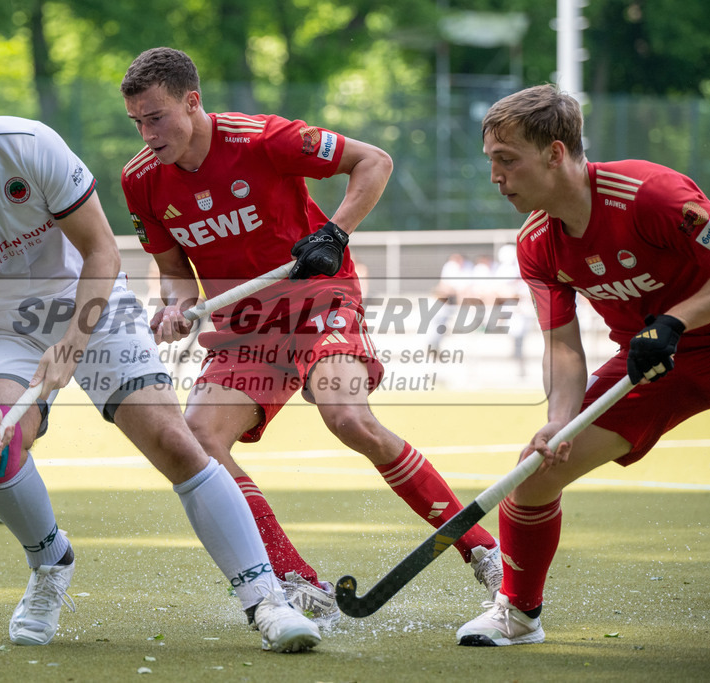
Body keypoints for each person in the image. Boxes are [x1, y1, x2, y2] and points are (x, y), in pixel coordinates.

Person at [0, 47, 320, 653]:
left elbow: (102, 252)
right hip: (2, 330)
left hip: (94, 304)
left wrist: (72, 340)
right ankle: (50, 564)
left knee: (173, 441)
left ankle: (265, 598)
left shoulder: (30, 146)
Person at [119, 47, 502, 629]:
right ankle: (296, 581)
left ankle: (484, 549)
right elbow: (175, 272)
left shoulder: (263, 139)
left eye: (156, 118)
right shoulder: (140, 180)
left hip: (319, 299)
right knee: (199, 438)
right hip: (244, 328)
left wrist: (334, 233)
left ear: (192, 103)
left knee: (346, 417)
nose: (147, 134)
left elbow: (374, 161)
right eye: (137, 123)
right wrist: (178, 307)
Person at [457, 83, 710, 646]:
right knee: (536, 474)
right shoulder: (538, 242)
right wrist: (558, 420)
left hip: (709, 339)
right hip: (650, 363)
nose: (495, 177)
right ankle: (519, 614)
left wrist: (675, 319)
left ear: (555, 153)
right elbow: (563, 345)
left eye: (508, 161)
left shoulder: (648, 193)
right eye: (492, 162)